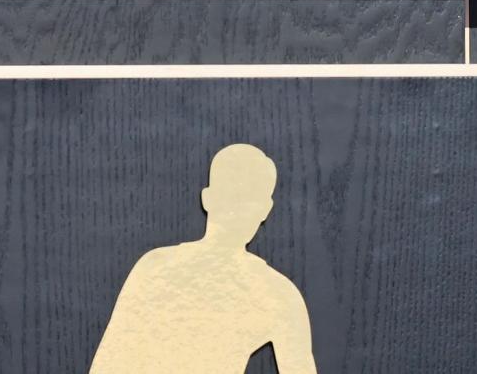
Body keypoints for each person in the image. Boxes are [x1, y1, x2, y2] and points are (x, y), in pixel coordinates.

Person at [89, 143, 317, 374]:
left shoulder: (155, 266)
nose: (237, 211)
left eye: (248, 200)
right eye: (233, 196)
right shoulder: (278, 292)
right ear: (207, 198)